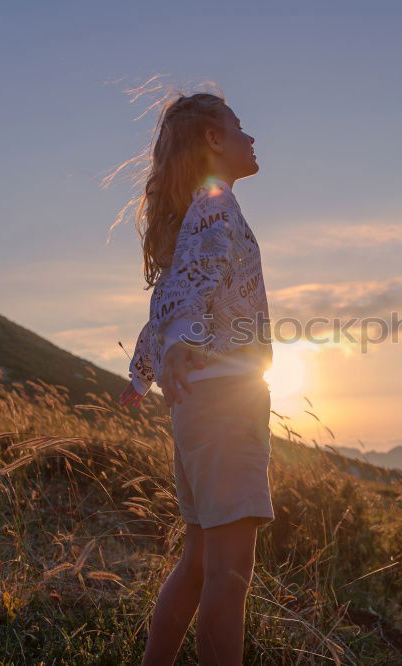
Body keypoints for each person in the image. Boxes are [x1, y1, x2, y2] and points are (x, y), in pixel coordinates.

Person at [115, 90, 274, 665]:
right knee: (230, 574)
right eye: (239, 127)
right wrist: (176, 345)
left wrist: (148, 367)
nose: (251, 137)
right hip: (227, 404)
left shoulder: (203, 211)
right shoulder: (216, 207)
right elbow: (190, 289)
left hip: (201, 407)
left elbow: (174, 290)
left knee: (203, 562)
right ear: (213, 139)